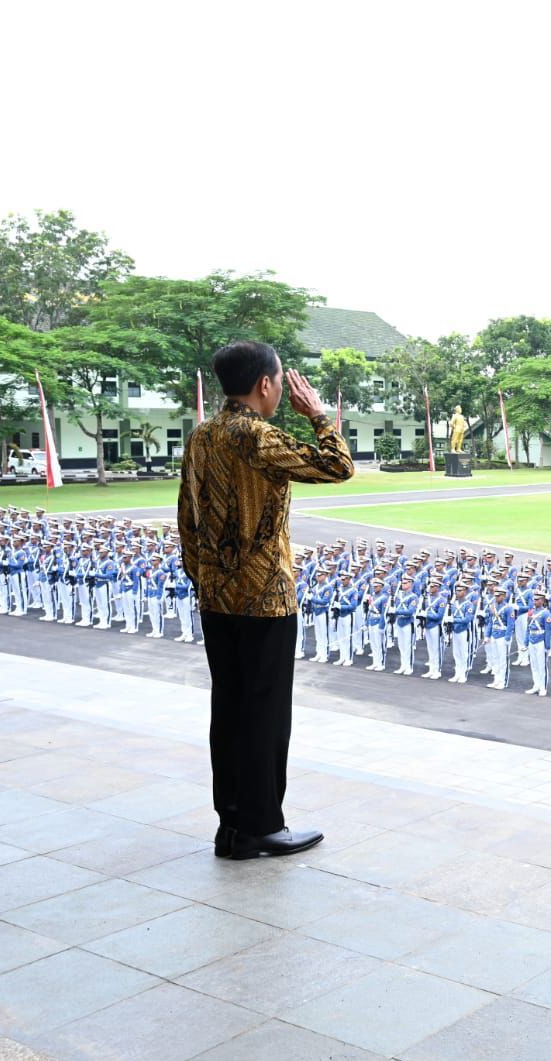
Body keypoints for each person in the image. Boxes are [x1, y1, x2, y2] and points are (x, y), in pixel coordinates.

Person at [177, 340, 352, 860]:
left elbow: (187, 514)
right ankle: (261, 825)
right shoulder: (258, 436)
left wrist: (205, 577)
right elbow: (337, 466)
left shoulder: (203, 435)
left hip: (216, 595)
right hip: (265, 599)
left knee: (228, 710)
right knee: (265, 714)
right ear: (266, 385)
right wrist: (319, 415)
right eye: (279, 382)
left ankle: (231, 824)